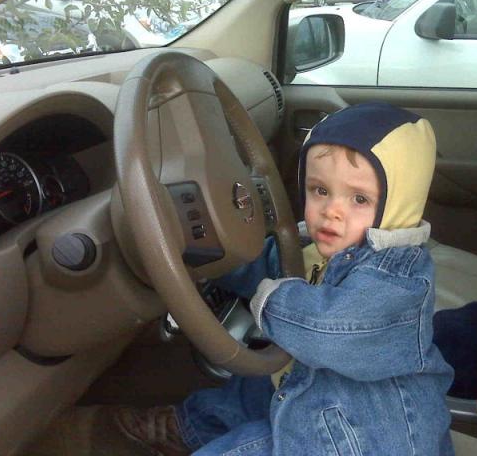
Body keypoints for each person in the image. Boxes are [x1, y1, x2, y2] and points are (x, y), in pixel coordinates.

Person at [115, 102, 455, 455]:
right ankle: (190, 427)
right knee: (251, 387)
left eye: (359, 199)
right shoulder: (322, 248)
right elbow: (272, 265)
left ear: (399, 204)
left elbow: (330, 333)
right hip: (322, 403)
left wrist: (271, 300)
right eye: (320, 190)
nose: (332, 211)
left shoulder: (398, 280)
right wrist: (215, 259)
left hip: (362, 441)